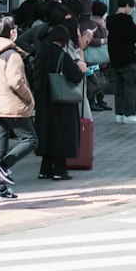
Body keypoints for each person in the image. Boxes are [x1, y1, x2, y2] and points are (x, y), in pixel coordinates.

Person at [0, 14, 37, 201]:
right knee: (30, 140)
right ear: (12, 32)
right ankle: (3, 167)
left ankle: (0, 190)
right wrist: (29, 98)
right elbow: (16, 82)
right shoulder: (12, 54)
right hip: (12, 104)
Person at [34, 24, 89, 179]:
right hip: (61, 102)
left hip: (44, 100)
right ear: (64, 40)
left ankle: (45, 169)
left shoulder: (43, 54)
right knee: (61, 134)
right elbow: (75, 76)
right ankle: (59, 170)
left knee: (47, 134)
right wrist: (81, 69)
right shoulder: (62, 56)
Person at [107, 0, 136, 125]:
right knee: (131, 85)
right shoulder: (126, 20)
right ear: (127, 6)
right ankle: (129, 113)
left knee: (120, 87)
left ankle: (120, 113)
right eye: (131, 7)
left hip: (116, 59)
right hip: (128, 58)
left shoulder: (111, 21)